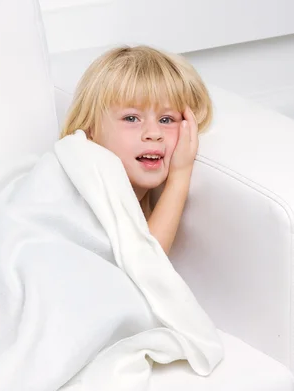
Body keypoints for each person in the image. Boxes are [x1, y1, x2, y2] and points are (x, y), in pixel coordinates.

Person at [60, 45, 213, 255]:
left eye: (166, 119)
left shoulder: (131, 202)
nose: (153, 133)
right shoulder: (87, 171)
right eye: (131, 118)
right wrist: (180, 176)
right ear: (90, 128)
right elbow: (148, 265)